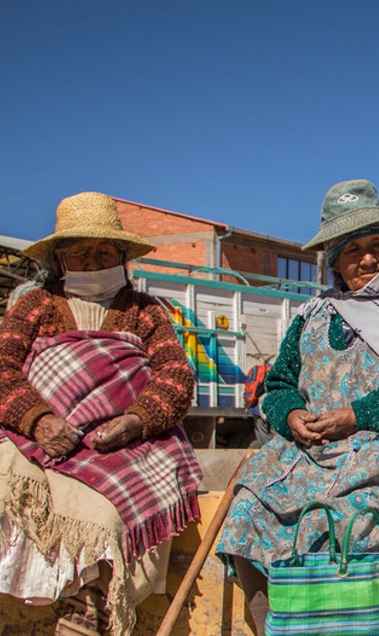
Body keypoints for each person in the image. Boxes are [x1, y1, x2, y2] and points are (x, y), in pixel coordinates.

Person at [215, 179, 379, 635]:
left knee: (350, 522)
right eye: (353, 250)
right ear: (334, 260)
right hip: (309, 450)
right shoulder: (314, 314)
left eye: (377, 245)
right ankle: (275, 626)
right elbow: (280, 382)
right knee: (246, 509)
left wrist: (353, 417)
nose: (368, 259)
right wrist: (290, 416)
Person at [0, 192, 202, 636]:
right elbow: (3, 369)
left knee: (109, 518)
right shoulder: (33, 306)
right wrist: (38, 420)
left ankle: (87, 609)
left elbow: (175, 376)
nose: (94, 261)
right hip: (38, 440)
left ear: (123, 256)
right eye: (81, 252)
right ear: (60, 259)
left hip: (126, 445)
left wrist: (135, 420)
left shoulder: (145, 310)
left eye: (104, 251)